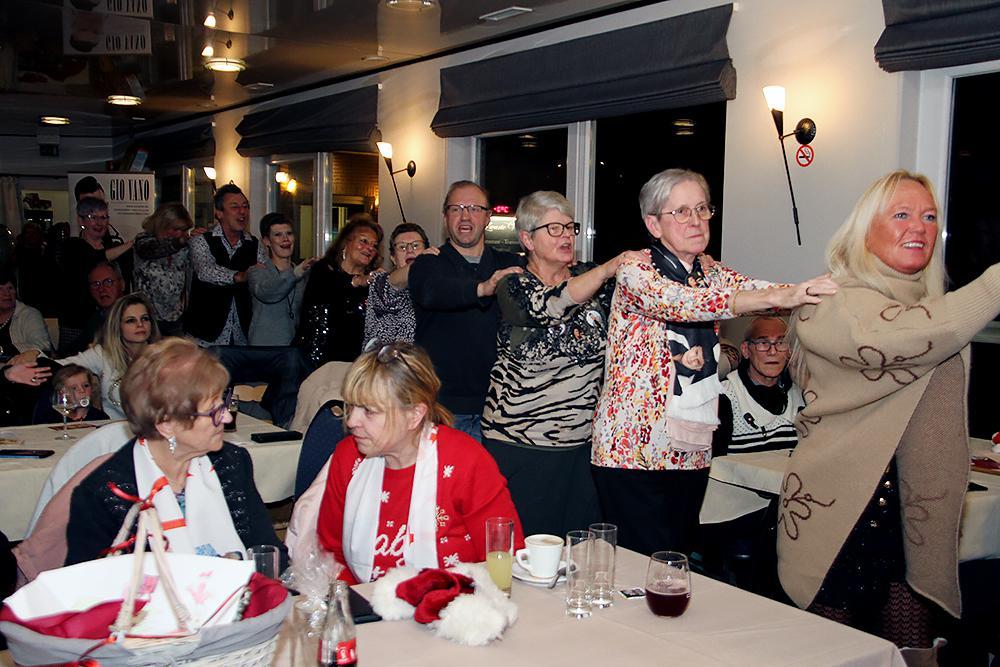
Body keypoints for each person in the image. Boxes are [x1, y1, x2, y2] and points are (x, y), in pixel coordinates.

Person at [777, 171, 1000, 654]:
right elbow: (894, 338)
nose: (919, 227)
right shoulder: (831, 301)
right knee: (831, 653)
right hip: (839, 516)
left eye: (929, 217)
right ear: (864, 230)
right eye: (901, 214)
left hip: (908, 515)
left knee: (909, 652)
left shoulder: (929, 308)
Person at [590, 168, 837, 557]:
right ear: (653, 224)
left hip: (690, 444)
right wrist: (784, 296)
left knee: (675, 560)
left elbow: (759, 291)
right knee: (641, 563)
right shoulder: (636, 270)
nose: (696, 220)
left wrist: (814, 291)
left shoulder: (710, 271)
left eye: (702, 209)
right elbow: (685, 303)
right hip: (633, 447)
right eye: (682, 212)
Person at [481, 191, 640, 537]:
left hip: (580, 446)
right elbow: (549, 306)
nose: (566, 235)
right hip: (521, 443)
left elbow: (634, 321)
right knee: (525, 547)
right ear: (527, 239)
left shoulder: (593, 280)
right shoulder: (513, 283)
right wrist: (607, 269)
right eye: (554, 229)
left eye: (570, 227)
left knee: (580, 546)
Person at [65, 338, 286, 566]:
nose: (227, 417)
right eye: (213, 411)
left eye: (224, 403)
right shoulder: (103, 495)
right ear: (166, 424)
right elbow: (88, 584)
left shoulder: (232, 463)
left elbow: (271, 556)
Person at [317, 342, 524, 584]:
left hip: (457, 603)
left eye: (369, 411)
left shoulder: (466, 461)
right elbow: (330, 554)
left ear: (414, 415)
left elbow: (504, 558)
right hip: (366, 605)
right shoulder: (348, 456)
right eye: (351, 406)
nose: (352, 421)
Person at [408, 181, 523, 441]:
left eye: (474, 208)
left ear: (488, 217)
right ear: (445, 217)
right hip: (442, 408)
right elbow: (433, 292)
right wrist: (483, 288)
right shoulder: (428, 264)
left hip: (500, 407)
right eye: (456, 209)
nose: (465, 216)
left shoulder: (509, 263)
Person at [13, 294, 162, 420]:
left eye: (145, 319)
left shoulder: (164, 355)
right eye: (131, 320)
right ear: (117, 326)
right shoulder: (103, 354)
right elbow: (60, 366)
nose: (140, 325)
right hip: (114, 433)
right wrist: (36, 353)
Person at [186, 184, 266, 346]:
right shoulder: (201, 240)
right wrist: (238, 276)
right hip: (205, 336)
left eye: (245, 206)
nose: (242, 212)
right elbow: (205, 270)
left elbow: (263, 278)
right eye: (235, 207)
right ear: (219, 213)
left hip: (243, 336)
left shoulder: (255, 244)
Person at [298, 214, 382, 366]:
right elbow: (330, 290)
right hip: (316, 363)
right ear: (346, 242)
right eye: (363, 241)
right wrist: (357, 281)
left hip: (355, 365)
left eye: (374, 245)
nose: (370, 248)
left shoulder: (373, 283)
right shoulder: (323, 270)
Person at [713, 316, 803, 456]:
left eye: (781, 343)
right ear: (745, 350)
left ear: (789, 350)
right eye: (763, 343)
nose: (772, 352)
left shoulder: (802, 394)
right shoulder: (725, 397)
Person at [56, 197, 133, 355]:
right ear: (81, 220)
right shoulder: (71, 247)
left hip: (111, 319)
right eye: (93, 217)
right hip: (77, 322)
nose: (99, 223)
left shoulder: (114, 247)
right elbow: (94, 258)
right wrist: (130, 244)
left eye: (104, 217)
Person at [362, 222, 437, 350]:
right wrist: (423, 262)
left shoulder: (436, 288)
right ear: (393, 258)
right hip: (384, 361)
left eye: (416, 245)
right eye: (402, 247)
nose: (410, 250)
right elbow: (394, 284)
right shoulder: (380, 283)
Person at [248, 213, 317, 346]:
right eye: (278, 235)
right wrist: (296, 273)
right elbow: (268, 293)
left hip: (294, 349)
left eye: (289, 233)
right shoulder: (257, 271)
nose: (285, 239)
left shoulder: (303, 273)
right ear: (266, 241)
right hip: (264, 350)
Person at [133, 203, 197, 337]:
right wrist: (179, 242)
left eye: (184, 230)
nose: (180, 234)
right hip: (147, 317)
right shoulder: (143, 241)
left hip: (176, 318)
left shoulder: (184, 247)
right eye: (176, 229)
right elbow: (150, 249)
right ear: (162, 225)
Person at [32, 364, 109, 424]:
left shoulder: (100, 417)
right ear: (62, 392)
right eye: (74, 388)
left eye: (86, 385)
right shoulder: (51, 418)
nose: (82, 390)